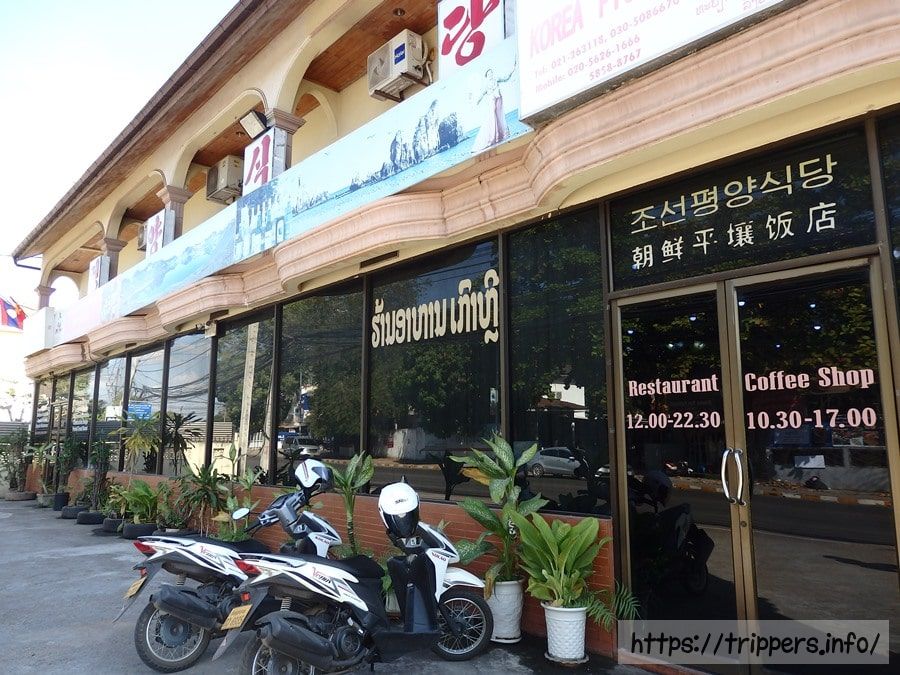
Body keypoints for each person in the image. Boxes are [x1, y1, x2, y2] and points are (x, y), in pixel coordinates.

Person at [472, 65, 514, 152]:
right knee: (492, 117)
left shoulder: (496, 79)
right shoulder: (486, 85)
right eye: (489, 74)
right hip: (492, 101)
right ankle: (493, 136)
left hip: (499, 99)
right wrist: (477, 102)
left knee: (499, 115)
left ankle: (501, 134)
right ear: (486, 76)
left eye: (491, 73)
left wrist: (512, 70)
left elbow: (506, 78)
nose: (490, 74)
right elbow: (482, 94)